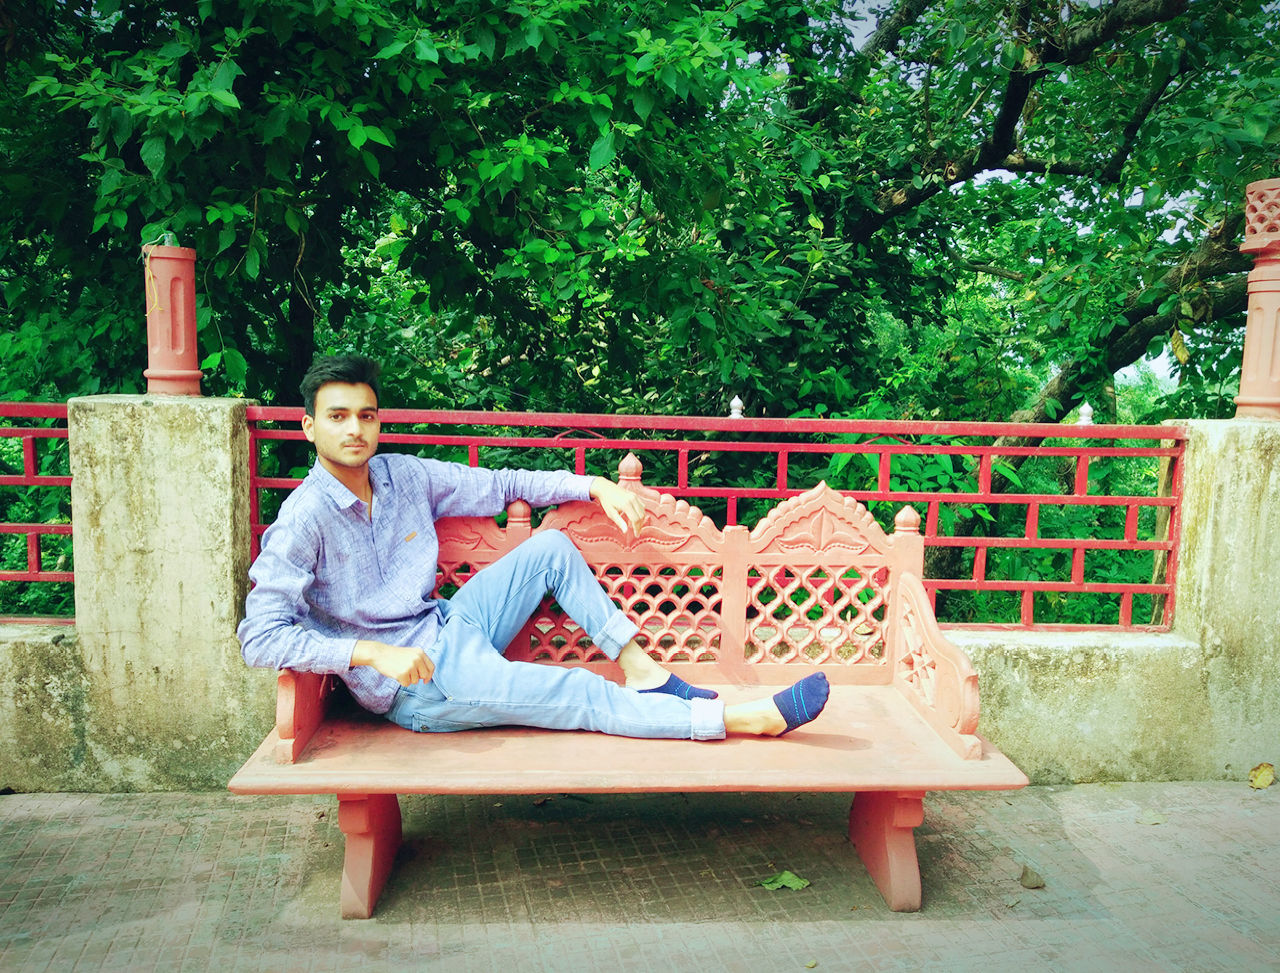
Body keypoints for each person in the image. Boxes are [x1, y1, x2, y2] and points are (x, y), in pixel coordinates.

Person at [238, 354, 829, 741]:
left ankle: (640, 667)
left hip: (449, 623)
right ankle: (734, 719)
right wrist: (369, 654)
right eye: (337, 417)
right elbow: (259, 637)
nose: (354, 430)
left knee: (550, 548)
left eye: (365, 415)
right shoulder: (304, 519)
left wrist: (593, 484)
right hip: (419, 683)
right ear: (309, 427)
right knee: (577, 693)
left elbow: (503, 484)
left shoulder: (402, 476)